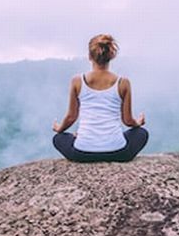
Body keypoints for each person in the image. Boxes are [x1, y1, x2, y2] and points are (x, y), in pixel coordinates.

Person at [52, 34, 149, 162]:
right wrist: (138, 122)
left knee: (58, 138)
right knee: (141, 133)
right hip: (119, 152)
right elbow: (127, 121)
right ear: (111, 57)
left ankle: (82, 139)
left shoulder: (77, 81)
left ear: (89, 56)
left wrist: (59, 128)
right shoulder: (123, 82)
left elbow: (71, 117)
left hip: (82, 153)